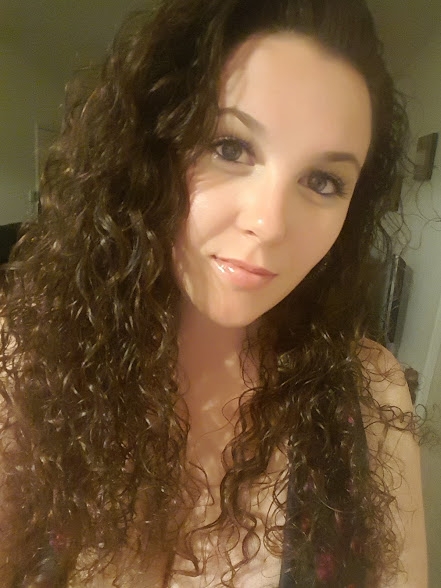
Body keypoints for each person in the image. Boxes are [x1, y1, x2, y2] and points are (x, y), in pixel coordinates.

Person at [0, 0, 426, 586]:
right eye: (230, 147)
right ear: (152, 147)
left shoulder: (371, 392)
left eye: (323, 181)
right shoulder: (25, 358)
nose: (270, 224)